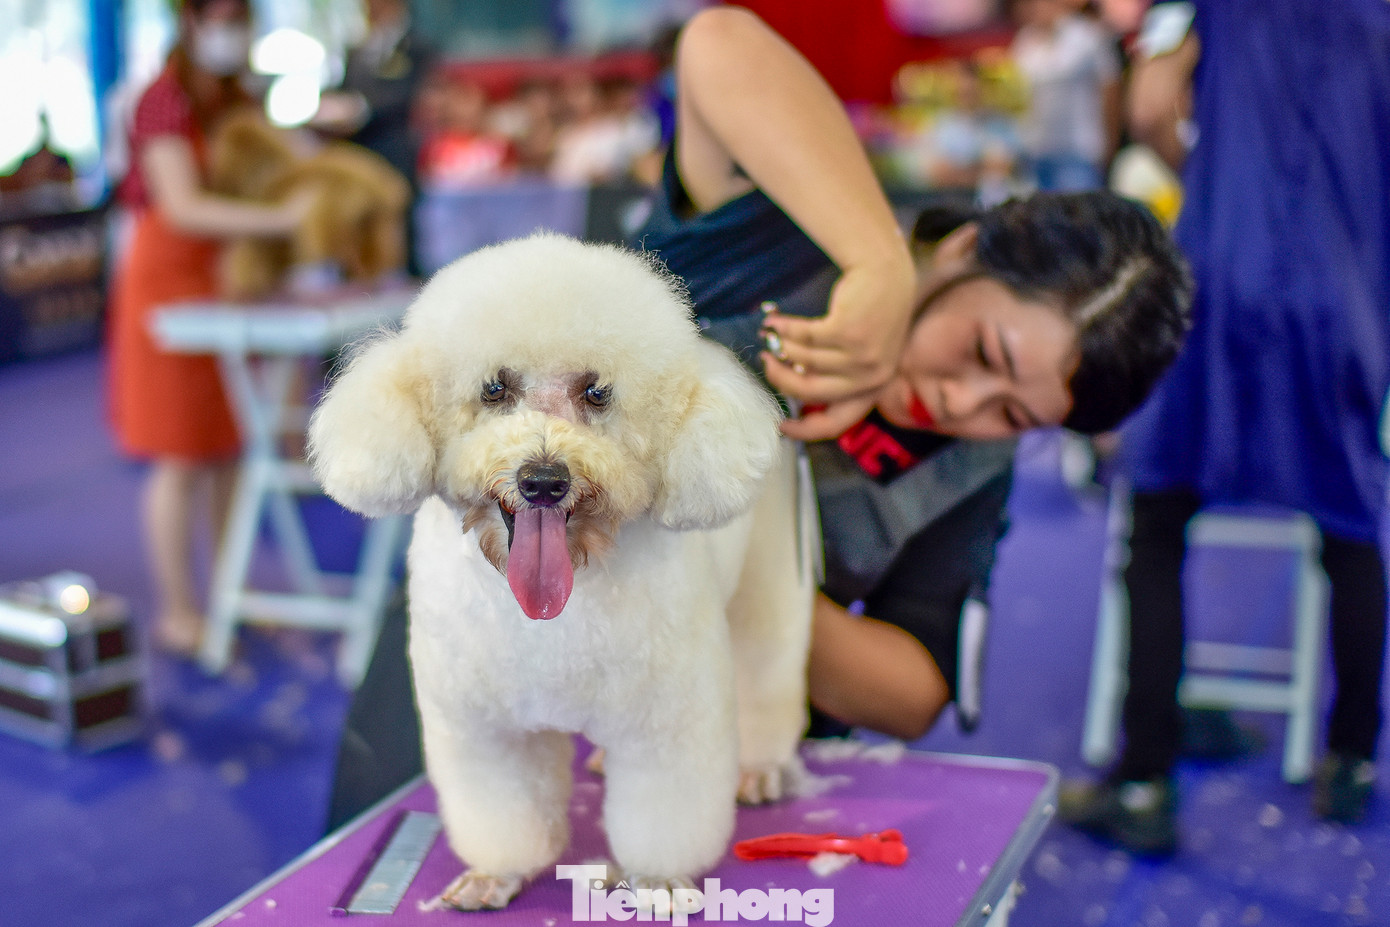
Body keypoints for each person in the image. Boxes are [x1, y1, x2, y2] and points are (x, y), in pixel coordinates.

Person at [324, 6, 1192, 829]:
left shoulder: (964, 462)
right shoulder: (792, 224)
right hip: (488, 664)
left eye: (1013, 413)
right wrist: (877, 268)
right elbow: (720, 41)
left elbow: (914, 692)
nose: (963, 403)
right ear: (964, 249)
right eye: (982, 352)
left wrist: (742, 579)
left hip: (700, 742)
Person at [1060, 0, 1390, 853]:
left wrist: (1212, 168)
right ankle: (1352, 755)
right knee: (1352, 526)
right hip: (1346, 294)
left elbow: (1147, 109)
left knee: (1157, 522)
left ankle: (1145, 777)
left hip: (1218, 276)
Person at [106, 0, 313, 655]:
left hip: (226, 278)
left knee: (229, 451)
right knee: (179, 456)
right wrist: (281, 222)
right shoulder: (161, 100)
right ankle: (178, 610)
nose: (231, 32)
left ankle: (231, 598)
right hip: (167, 283)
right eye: (220, 19)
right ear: (191, 21)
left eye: (239, 20)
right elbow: (182, 206)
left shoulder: (236, 97)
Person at [1009, 0, 1122, 191]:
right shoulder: (1023, 41)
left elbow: (1111, 92)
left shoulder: (1088, 35)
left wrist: (1110, 147)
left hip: (1079, 154)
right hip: (1034, 154)